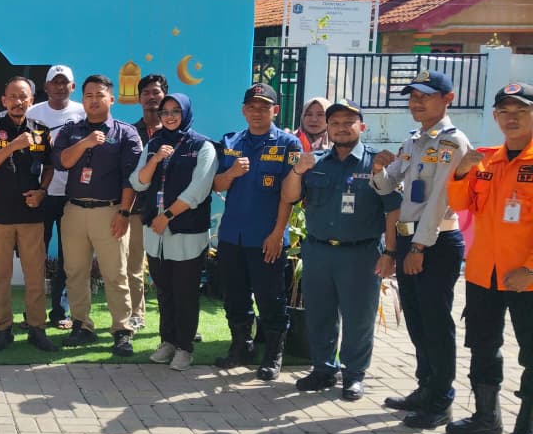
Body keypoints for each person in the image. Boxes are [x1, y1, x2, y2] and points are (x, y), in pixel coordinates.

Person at [281, 100, 400, 400]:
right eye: (335, 123)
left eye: (349, 122)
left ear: (362, 126)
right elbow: (290, 196)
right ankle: (323, 369)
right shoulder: (316, 162)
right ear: (328, 128)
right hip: (319, 251)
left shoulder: (376, 163)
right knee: (319, 314)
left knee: (359, 317)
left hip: (361, 253)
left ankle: (354, 374)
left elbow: (393, 211)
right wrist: (297, 170)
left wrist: (390, 253)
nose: (341, 128)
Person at [371, 70, 470, 428]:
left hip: (435, 242)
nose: (416, 102)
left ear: (448, 99)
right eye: (413, 96)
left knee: (436, 321)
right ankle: (425, 387)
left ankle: (441, 399)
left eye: (425, 96)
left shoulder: (452, 143)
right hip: (412, 240)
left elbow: (440, 200)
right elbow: (387, 186)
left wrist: (419, 247)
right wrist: (379, 169)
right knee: (416, 318)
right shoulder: (414, 141)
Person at [445, 82, 533, 434]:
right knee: (483, 345)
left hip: (526, 279)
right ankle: (486, 417)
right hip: (484, 273)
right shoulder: (486, 160)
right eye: (505, 112)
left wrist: (530, 270)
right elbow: (460, 205)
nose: (512, 119)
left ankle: (526, 429)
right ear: (495, 116)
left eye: (521, 111)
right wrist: (461, 173)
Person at [212, 83, 303, 380]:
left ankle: (274, 355)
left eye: (264, 107)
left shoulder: (289, 144)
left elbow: (289, 195)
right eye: (252, 107)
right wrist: (231, 173)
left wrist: (278, 233)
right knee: (234, 296)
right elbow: (216, 184)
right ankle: (241, 347)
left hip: (267, 237)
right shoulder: (231, 141)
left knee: (270, 298)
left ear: (275, 110)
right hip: (232, 236)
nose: (257, 112)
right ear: (243, 110)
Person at [52, 74, 143, 353]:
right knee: (75, 272)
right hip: (75, 210)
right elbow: (62, 162)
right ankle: (82, 325)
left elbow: (132, 178)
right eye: (88, 96)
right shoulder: (71, 131)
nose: (93, 100)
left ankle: (122, 330)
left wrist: (124, 212)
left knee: (115, 273)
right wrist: (86, 142)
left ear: (111, 99)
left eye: (99, 95)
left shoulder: (125, 133)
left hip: (109, 210)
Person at [130, 93, 216, 370]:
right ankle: (167, 341)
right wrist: (154, 160)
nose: (169, 116)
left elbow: (198, 191)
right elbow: (138, 182)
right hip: (156, 235)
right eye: (165, 112)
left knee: (185, 293)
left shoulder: (202, 146)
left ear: (186, 113)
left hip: (186, 232)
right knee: (164, 292)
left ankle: (184, 348)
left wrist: (166, 216)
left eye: (175, 111)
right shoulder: (154, 143)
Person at [0, 76, 58, 352]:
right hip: (0, 214)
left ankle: (37, 328)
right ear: (4, 100)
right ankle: (3, 329)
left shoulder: (41, 131)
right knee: (1, 276)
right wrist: (12, 145)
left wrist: (43, 191)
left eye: (23, 97)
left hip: (31, 214)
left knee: (34, 275)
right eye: (12, 96)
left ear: (31, 101)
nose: (18, 102)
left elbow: (49, 167)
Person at [27, 65, 85, 329]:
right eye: (55, 82)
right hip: (41, 195)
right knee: (35, 257)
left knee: (68, 257)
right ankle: (33, 313)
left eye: (65, 82)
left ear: (73, 87)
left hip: (72, 195)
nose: (60, 87)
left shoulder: (83, 112)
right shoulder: (33, 113)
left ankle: (60, 312)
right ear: (46, 86)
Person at [124, 74, 169, 332]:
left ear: (165, 96)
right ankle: (136, 315)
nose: (151, 97)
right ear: (139, 99)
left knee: (169, 268)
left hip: (166, 211)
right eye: (146, 93)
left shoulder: (175, 133)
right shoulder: (130, 132)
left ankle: (174, 318)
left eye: (156, 92)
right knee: (133, 267)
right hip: (135, 209)